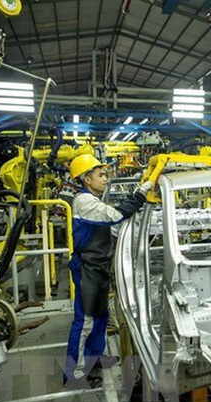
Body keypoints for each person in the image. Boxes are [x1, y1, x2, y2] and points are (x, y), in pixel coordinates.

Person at [63, 154, 152, 388]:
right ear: (86, 179)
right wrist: (140, 194)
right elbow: (115, 216)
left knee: (101, 316)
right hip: (87, 268)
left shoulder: (94, 200)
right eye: (100, 175)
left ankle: (95, 358)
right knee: (86, 321)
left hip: (98, 266)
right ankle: (74, 373)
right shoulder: (84, 201)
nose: (105, 179)